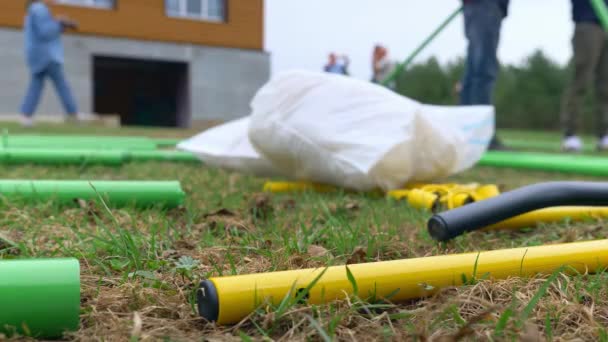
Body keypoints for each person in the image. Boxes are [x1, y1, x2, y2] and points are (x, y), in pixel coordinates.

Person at [20, 0, 79, 127]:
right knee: (62, 85)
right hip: (47, 56)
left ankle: (25, 116)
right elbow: (45, 32)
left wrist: (58, 24)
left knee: (35, 86)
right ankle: (73, 114)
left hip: (37, 55)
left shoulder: (32, 11)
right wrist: (61, 24)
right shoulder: (39, 8)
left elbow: (43, 29)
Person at [460, 0, 510, 150]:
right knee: (483, 71)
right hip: (486, 5)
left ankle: (467, 133)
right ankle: (480, 136)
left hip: (477, 6)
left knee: (474, 70)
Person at [561, 0, 608, 151]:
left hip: (606, 25)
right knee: (581, 81)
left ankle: (604, 135)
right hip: (588, 23)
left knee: (606, 86)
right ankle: (570, 135)